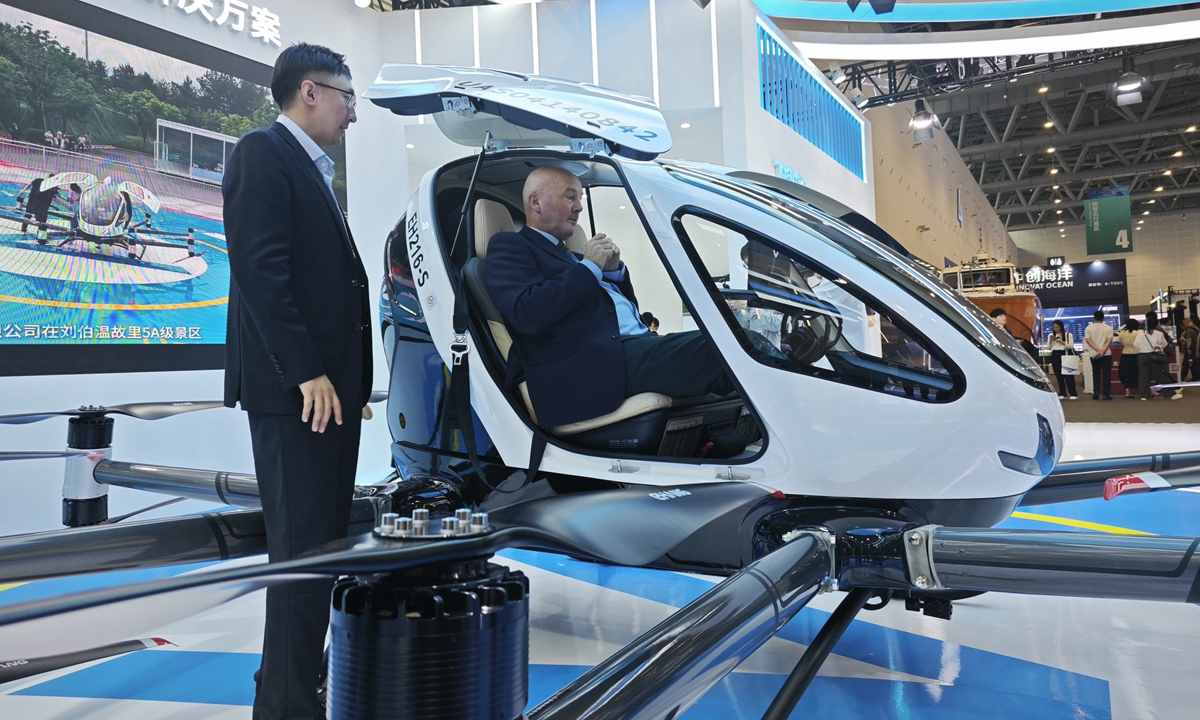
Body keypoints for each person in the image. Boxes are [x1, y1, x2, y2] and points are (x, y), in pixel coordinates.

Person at [222, 43, 367, 720]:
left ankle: (292, 693)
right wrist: (308, 371)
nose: (352, 113)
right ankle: (284, 708)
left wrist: (345, 382)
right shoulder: (263, 153)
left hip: (326, 399)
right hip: (295, 398)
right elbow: (261, 274)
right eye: (346, 96)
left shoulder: (312, 170)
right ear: (310, 92)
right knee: (301, 565)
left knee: (320, 560)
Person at [486, 166, 732, 428]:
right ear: (536, 202)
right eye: (570, 197)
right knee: (722, 348)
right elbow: (527, 313)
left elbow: (618, 313)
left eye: (581, 198)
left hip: (629, 349)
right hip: (591, 366)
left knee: (735, 340)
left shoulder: (573, 259)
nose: (579, 207)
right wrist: (590, 268)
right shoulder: (510, 246)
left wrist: (612, 274)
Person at [1136, 312, 1176, 400]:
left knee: (1144, 376)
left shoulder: (1140, 334)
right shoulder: (1159, 334)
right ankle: (1169, 394)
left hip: (1143, 355)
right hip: (1156, 355)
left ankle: (1144, 395)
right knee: (1161, 375)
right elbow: (1164, 345)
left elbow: (1136, 344)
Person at [1084, 310, 1113, 400]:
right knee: (1106, 374)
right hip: (1106, 354)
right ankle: (1106, 394)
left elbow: (1088, 341)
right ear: (1103, 318)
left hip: (1094, 354)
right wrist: (1103, 350)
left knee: (1096, 373)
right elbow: (1109, 341)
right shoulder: (1108, 328)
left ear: (1094, 318)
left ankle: (1096, 393)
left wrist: (1098, 350)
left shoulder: (1088, 328)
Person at [1047, 320, 1078, 400]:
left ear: (1061, 327)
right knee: (1058, 375)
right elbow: (1048, 348)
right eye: (1054, 327)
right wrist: (1051, 340)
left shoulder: (1068, 334)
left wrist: (1062, 342)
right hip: (1055, 355)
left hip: (1065, 353)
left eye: (1057, 327)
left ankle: (1073, 393)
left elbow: (1071, 345)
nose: (1055, 329)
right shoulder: (1051, 335)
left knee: (1068, 374)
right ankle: (1062, 393)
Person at [1117, 318, 1141, 398]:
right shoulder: (1138, 333)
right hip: (1136, 354)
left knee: (1126, 374)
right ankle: (1142, 390)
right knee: (1138, 373)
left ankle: (1127, 391)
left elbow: (1121, 345)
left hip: (1125, 355)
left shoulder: (1122, 333)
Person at [1181, 316, 1198, 382]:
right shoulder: (1196, 328)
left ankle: (1182, 377)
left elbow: (1189, 340)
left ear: (1186, 322)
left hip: (1191, 349)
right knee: (1195, 363)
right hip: (1196, 348)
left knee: (1186, 363)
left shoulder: (1189, 330)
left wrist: (1188, 348)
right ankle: (1196, 377)